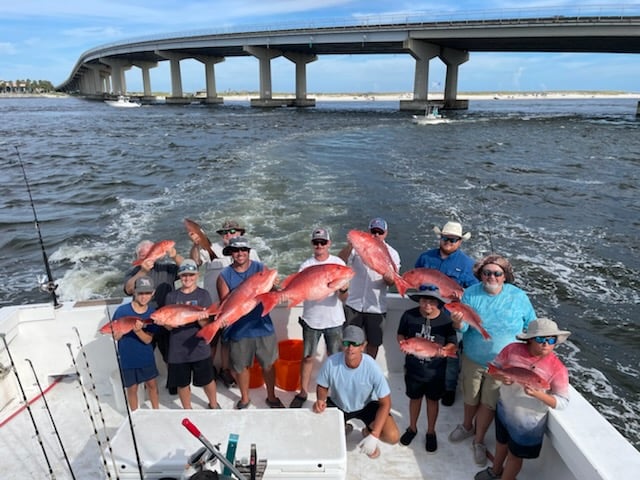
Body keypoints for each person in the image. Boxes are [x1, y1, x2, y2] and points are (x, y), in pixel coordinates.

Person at [448, 254, 536, 467]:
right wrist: (458, 323)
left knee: (489, 402)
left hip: (504, 365)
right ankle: (467, 425)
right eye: (486, 273)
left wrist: (533, 355)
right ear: (480, 275)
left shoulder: (519, 296)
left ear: (505, 276)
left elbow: (531, 325)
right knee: (471, 396)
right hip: (473, 357)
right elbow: (465, 327)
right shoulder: (470, 294)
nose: (491, 277)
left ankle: (478, 441)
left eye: (497, 273)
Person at [474, 318, 571, 480]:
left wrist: (538, 394)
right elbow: (493, 369)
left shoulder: (557, 368)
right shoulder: (512, 349)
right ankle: (495, 470)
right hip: (504, 409)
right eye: (540, 339)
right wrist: (500, 377)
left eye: (551, 340)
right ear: (530, 339)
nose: (545, 344)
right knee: (501, 444)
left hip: (528, 423)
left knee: (515, 456)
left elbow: (562, 402)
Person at [189, 219, 261, 388]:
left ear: (241, 233)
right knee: (211, 340)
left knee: (228, 341)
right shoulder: (212, 248)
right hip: (213, 305)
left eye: (233, 231)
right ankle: (207, 370)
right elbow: (195, 263)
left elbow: (260, 276)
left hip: (237, 308)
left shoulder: (249, 252)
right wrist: (196, 246)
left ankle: (224, 370)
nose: (229, 235)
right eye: (225, 233)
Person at [414, 220, 479, 406]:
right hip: (426, 313)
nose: (449, 241)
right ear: (440, 237)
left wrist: (461, 295)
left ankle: (449, 388)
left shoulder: (468, 264)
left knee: (451, 355)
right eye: (445, 238)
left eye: (453, 239)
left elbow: (473, 293)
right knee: (424, 348)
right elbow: (415, 278)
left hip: (450, 316)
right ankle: (423, 381)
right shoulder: (425, 258)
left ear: (460, 242)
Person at [313, 325, 400, 459]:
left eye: (355, 344)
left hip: (366, 406)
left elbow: (386, 403)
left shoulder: (372, 367)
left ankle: (367, 431)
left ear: (363, 346)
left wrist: (375, 435)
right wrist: (320, 400)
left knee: (392, 436)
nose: (350, 348)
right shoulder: (331, 363)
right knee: (319, 435)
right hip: (338, 404)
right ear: (342, 344)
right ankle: (344, 426)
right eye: (347, 343)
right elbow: (322, 386)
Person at [217, 236, 283, 410]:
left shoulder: (260, 269)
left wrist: (275, 286)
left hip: (263, 325)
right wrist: (223, 321)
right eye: (236, 250)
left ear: (248, 251)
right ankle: (245, 398)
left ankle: (271, 396)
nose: (240, 253)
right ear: (230, 253)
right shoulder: (224, 276)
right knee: (241, 366)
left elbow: (274, 291)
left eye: (244, 250)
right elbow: (225, 304)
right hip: (239, 329)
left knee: (268, 364)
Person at [289, 227, 348, 409]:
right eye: (316, 242)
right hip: (311, 320)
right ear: (312, 245)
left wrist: (342, 288)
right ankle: (303, 392)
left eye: (323, 242)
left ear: (329, 243)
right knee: (307, 357)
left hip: (335, 321)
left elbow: (343, 297)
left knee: (335, 357)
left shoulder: (338, 263)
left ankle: (333, 394)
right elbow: (302, 292)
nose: (320, 245)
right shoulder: (306, 266)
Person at [396, 286, 457, 453]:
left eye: (431, 301)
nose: (427, 305)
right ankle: (412, 428)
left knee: (432, 401)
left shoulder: (446, 320)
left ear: (438, 302)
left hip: (435, 373)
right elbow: (400, 334)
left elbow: (452, 342)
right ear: (419, 301)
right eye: (424, 300)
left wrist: (445, 352)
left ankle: (431, 431)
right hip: (413, 370)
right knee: (414, 399)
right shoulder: (409, 315)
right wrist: (402, 343)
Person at [338, 217, 401, 358]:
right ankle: (349, 371)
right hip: (353, 304)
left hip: (376, 307)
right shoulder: (358, 247)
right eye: (374, 231)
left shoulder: (392, 253)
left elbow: (391, 282)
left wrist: (389, 278)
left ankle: (368, 369)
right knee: (349, 341)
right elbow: (340, 262)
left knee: (373, 342)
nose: (377, 235)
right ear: (369, 232)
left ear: (386, 233)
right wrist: (350, 246)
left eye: (380, 232)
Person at [164, 259, 220, 409]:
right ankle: (188, 409)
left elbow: (207, 325)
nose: (187, 278)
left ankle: (214, 404)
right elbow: (168, 327)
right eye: (183, 275)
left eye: (190, 275)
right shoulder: (171, 297)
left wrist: (201, 320)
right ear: (179, 277)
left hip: (199, 347)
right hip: (178, 350)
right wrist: (167, 323)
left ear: (197, 275)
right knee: (182, 383)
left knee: (208, 380)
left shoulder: (203, 295)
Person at [123, 239, 184, 369]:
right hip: (144, 320)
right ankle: (148, 383)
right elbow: (129, 289)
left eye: (150, 254)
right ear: (138, 257)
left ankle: (173, 384)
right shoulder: (133, 272)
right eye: (143, 256)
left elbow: (188, 269)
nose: (147, 258)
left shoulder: (166, 268)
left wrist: (174, 256)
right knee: (144, 353)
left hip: (165, 319)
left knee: (170, 355)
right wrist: (143, 271)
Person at [111, 276, 160, 410]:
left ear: (153, 293)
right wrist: (117, 335)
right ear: (134, 292)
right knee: (132, 388)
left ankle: (157, 411)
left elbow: (148, 339)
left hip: (145, 357)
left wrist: (138, 331)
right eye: (141, 293)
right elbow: (116, 335)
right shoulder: (121, 311)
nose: (144, 297)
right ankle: (135, 414)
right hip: (127, 358)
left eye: (148, 293)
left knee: (152, 385)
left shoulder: (152, 314)